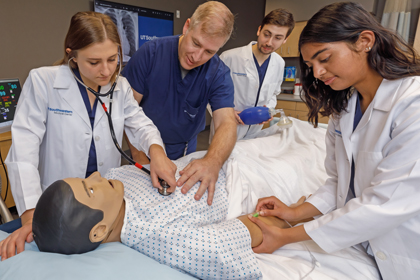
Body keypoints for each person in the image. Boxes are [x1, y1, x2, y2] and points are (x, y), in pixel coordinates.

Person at [247, 2, 420, 279]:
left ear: (364, 41)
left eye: (324, 59)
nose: (317, 73)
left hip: (407, 253)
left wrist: (285, 236)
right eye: (310, 65)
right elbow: (340, 184)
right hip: (363, 247)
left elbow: (383, 204)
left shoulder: (412, 104)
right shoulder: (345, 108)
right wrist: (293, 212)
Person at [0, 11, 176, 261]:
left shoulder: (120, 87)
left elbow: (141, 125)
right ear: (72, 54)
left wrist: (156, 153)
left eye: (113, 59)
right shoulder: (44, 82)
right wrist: (31, 215)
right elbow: (23, 154)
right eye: (94, 62)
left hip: (105, 206)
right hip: (59, 207)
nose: (106, 71)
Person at [28, 163, 299, 279]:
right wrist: (298, 213)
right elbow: (252, 229)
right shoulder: (168, 238)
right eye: (90, 188)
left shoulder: (114, 185)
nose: (97, 174)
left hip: (214, 161)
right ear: (99, 231)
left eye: (85, 178)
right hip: (246, 179)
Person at [122, 1, 237, 206]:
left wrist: (212, 162)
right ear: (187, 26)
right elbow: (129, 112)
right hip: (142, 147)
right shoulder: (150, 54)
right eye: (196, 43)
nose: (197, 56)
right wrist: (143, 162)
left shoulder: (218, 73)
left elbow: (226, 122)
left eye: (209, 52)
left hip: (184, 149)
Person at [212, 8, 294, 141]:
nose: (269, 42)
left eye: (278, 38)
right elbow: (208, 92)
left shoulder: (279, 63)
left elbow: (274, 93)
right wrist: (225, 113)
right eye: (266, 34)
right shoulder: (229, 58)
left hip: (255, 132)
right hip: (226, 128)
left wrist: (269, 109)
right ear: (259, 30)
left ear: (285, 39)